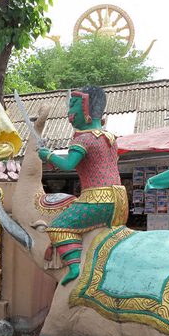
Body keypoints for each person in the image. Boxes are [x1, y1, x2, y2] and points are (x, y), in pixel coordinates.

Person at [37, 86, 128, 285]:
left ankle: (75, 267)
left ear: (85, 109)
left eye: (73, 106)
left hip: (97, 200)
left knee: (58, 227)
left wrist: (48, 155)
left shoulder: (83, 139)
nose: (69, 113)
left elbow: (69, 165)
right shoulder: (109, 137)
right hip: (120, 201)